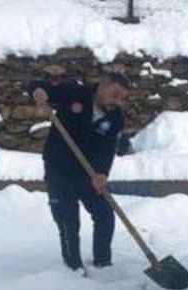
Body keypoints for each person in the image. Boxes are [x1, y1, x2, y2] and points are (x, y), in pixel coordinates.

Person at [27, 71, 131, 273]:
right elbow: (41, 87)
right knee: (68, 218)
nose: (117, 101)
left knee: (104, 213)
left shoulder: (115, 117)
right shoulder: (75, 93)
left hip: (88, 171)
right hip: (59, 167)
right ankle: (73, 267)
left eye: (122, 98)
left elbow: (107, 148)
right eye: (114, 94)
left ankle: (103, 263)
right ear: (103, 84)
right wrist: (38, 91)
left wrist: (101, 173)